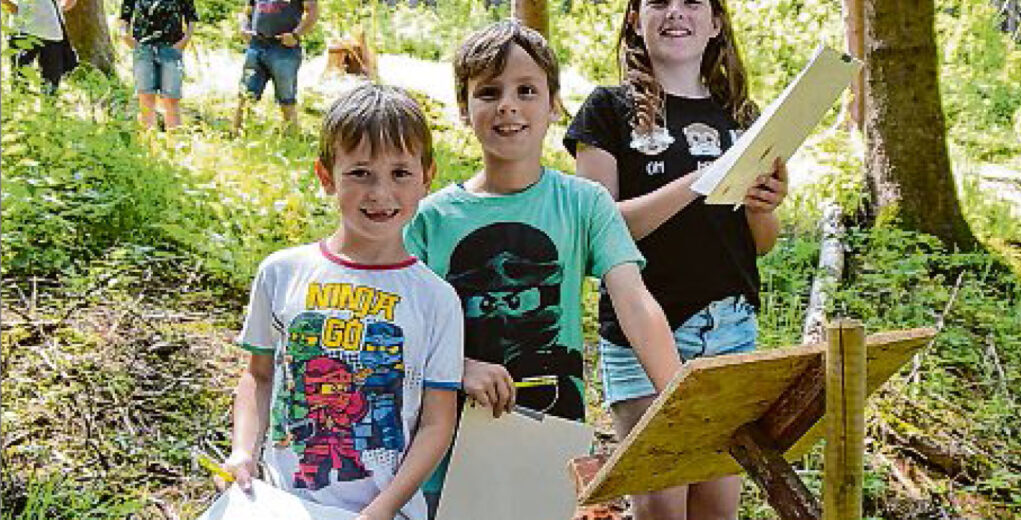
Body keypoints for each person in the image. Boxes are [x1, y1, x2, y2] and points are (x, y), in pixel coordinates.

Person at [404, 19, 683, 518]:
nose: (508, 105)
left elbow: (635, 303)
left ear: (554, 104)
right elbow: (400, 331)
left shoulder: (584, 204)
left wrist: (681, 402)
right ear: (464, 110)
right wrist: (456, 368)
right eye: (488, 92)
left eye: (527, 90)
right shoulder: (430, 218)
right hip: (447, 451)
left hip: (551, 443)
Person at [563, 0, 789, 518]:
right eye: (658, 2)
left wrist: (765, 207)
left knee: (716, 505)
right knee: (661, 506)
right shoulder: (607, 111)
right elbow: (597, 231)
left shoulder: (742, 119)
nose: (675, 13)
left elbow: (759, 243)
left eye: (692, 3)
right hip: (644, 328)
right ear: (635, 21)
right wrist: (699, 180)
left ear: (715, 24)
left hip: (731, 328)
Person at [218, 83, 463, 520]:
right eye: (361, 172)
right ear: (327, 176)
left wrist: (382, 510)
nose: (380, 193)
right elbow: (258, 377)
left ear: (428, 177)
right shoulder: (281, 272)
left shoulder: (437, 300)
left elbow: (436, 423)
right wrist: (242, 452)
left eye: (400, 173)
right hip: (282, 503)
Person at [231, 0, 318, 135]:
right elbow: (247, 10)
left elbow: (312, 12)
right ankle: (235, 135)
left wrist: (296, 35)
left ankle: (292, 140)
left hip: (284, 48)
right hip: (256, 45)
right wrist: (244, 28)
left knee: (286, 99)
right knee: (245, 94)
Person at [118, 0, 197, 130]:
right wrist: (125, 36)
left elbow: (191, 16)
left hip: (171, 48)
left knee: (171, 99)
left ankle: (175, 143)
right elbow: (125, 15)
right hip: (143, 49)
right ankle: (150, 143)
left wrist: (184, 41)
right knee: (145, 97)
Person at [2, 0, 77, 94]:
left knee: (51, 86)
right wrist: (14, 8)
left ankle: (47, 107)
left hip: (53, 33)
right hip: (22, 31)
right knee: (19, 81)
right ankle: (19, 107)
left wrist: (57, 10)